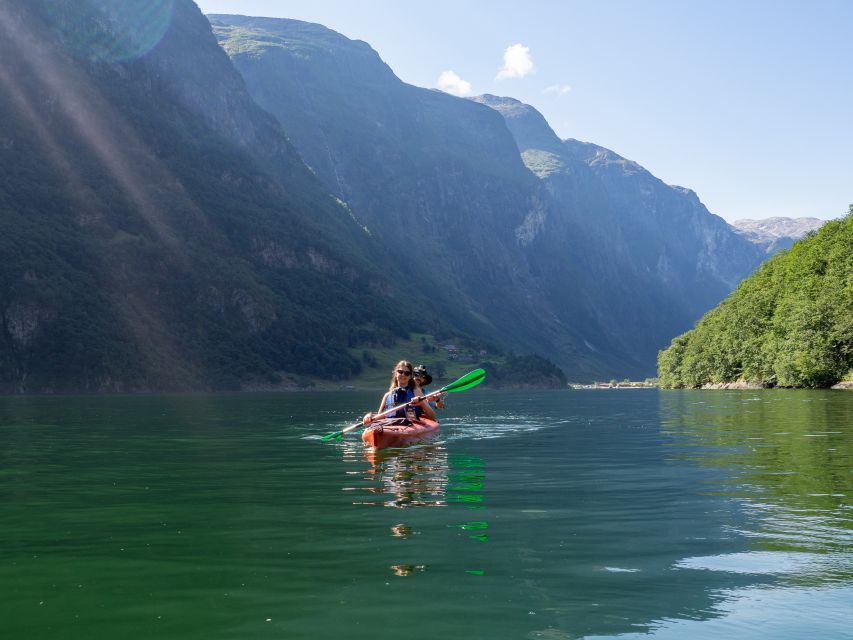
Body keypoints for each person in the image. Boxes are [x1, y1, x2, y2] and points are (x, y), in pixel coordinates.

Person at [363, 360, 436, 425]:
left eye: (407, 373)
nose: (403, 375)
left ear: (410, 376)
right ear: (396, 373)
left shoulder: (416, 391)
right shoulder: (387, 395)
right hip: (391, 424)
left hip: (411, 425)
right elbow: (379, 416)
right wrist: (370, 416)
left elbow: (432, 417)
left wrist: (421, 403)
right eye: (400, 372)